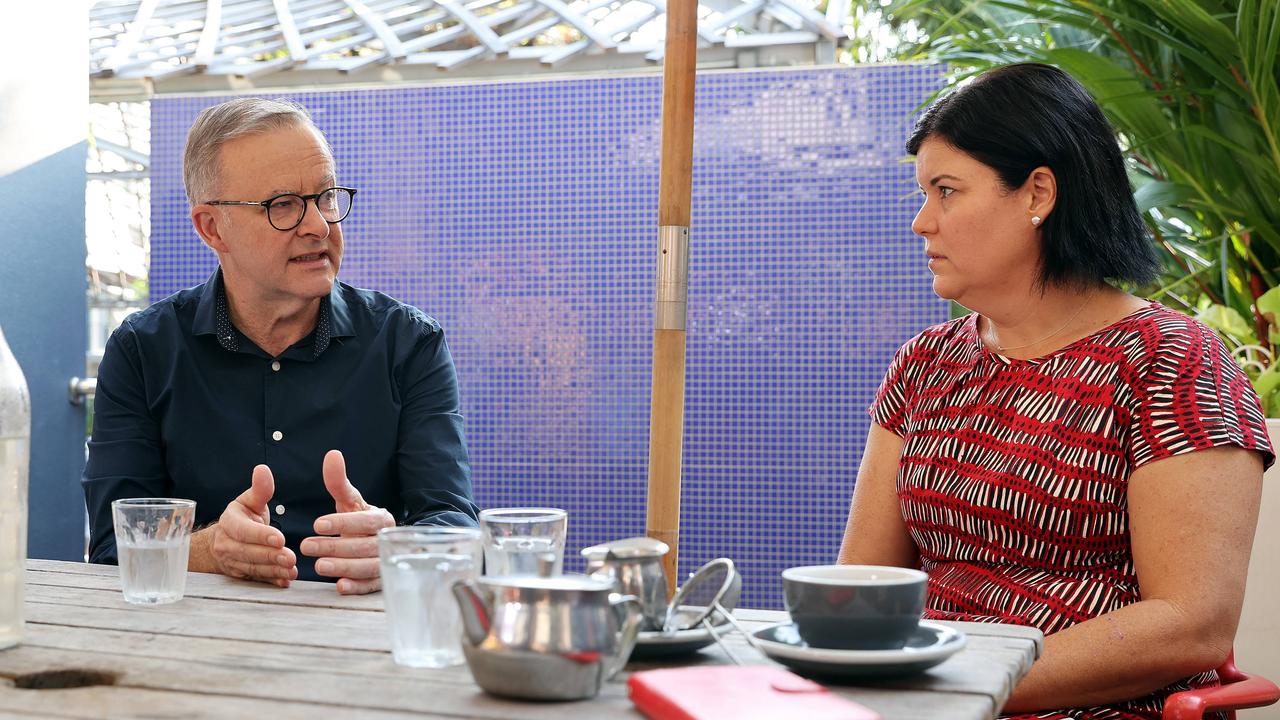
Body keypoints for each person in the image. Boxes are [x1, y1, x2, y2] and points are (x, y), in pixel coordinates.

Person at [839, 63, 1272, 719]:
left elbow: (1191, 625)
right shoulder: (925, 366)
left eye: (947, 191)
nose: (922, 222)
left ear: (1038, 192)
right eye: (923, 194)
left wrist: (960, 688)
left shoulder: (1172, 363)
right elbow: (863, 590)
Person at [83, 98, 478, 595]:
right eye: (283, 205)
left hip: (362, 644)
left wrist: (397, 549)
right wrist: (210, 549)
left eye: (326, 196)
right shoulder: (143, 352)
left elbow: (457, 526)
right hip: (196, 648)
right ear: (211, 227)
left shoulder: (408, 344)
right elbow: (110, 552)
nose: (318, 225)